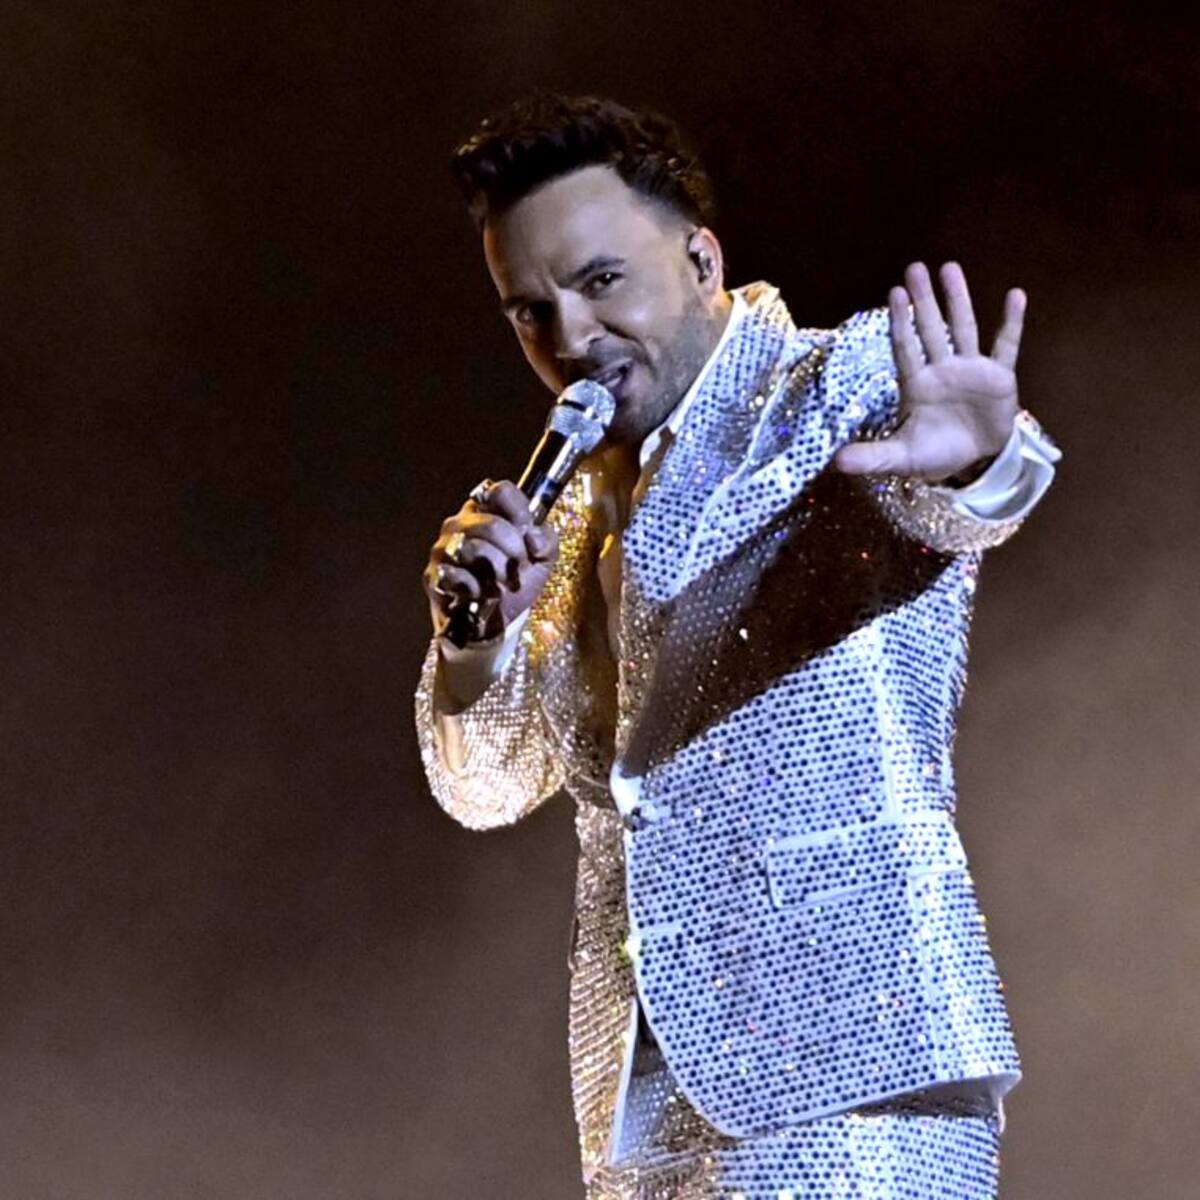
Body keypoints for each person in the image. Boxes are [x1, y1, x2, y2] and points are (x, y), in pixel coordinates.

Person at [414, 93, 1061, 1200]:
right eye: (530, 310)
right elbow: (487, 790)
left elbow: (968, 503)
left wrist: (982, 458)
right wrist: (478, 644)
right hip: (644, 1103)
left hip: (854, 1067)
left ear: (702, 259)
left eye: (601, 281)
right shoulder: (560, 520)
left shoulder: (836, 385)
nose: (571, 338)